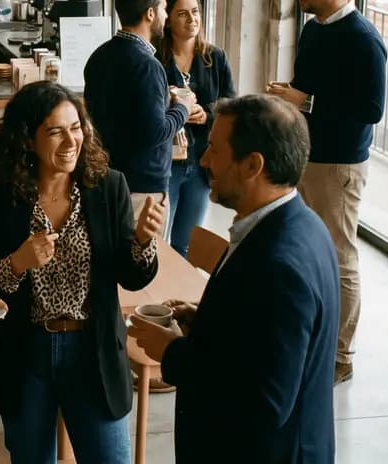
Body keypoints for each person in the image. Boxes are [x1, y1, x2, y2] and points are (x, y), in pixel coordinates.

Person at [127, 95, 340, 463]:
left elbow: (265, 401)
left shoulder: (281, 266)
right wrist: (207, 320)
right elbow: (259, 339)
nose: (204, 161)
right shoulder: (298, 225)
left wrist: (172, 352)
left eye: (213, 149)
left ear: (252, 165)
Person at [0, 82, 165, 463]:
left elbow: (131, 276)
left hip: (92, 352)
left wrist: (141, 240)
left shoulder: (108, 186)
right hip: (25, 354)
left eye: (76, 127)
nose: (70, 140)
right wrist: (18, 262)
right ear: (27, 139)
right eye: (55, 131)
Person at [267, 0, 386, 385]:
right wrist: (289, 95)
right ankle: (309, 336)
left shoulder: (363, 38)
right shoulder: (314, 28)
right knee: (304, 249)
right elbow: (306, 87)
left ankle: (340, 355)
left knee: (339, 256)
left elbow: (371, 109)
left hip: (338, 164)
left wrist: (306, 101)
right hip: (306, 155)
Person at [84, 0, 193, 244]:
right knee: (142, 269)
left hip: (105, 179)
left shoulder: (99, 57)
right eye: (165, 8)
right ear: (150, 13)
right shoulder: (148, 65)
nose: (166, 16)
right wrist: (183, 108)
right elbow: (155, 132)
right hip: (143, 190)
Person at [156, 0, 235, 256]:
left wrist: (207, 114)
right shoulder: (156, 60)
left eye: (195, 12)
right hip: (166, 161)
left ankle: (180, 296)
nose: (192, 19)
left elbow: (230, 102)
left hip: (202, 161)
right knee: (158, 240)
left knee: (186, 242)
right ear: (167, 20)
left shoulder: (215, 57)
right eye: (182, 14)